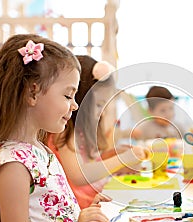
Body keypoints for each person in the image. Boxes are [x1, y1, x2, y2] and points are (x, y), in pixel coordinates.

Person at [0, 34, 115, 222]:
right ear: (33, 93)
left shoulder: (39, 150)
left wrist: (84, 215)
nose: (75, 105)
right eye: (68, 95)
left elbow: (51, 212)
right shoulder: (14, 163)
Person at [47, 55, 149, 209]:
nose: (101, 112)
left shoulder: (81, 130)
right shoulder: (64, 130)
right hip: (80, 206)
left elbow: (87, 164)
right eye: (99, 104)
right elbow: (79, 176)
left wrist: (110, 155)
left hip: (93, 197)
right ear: (80, 99)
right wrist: (123, 159)